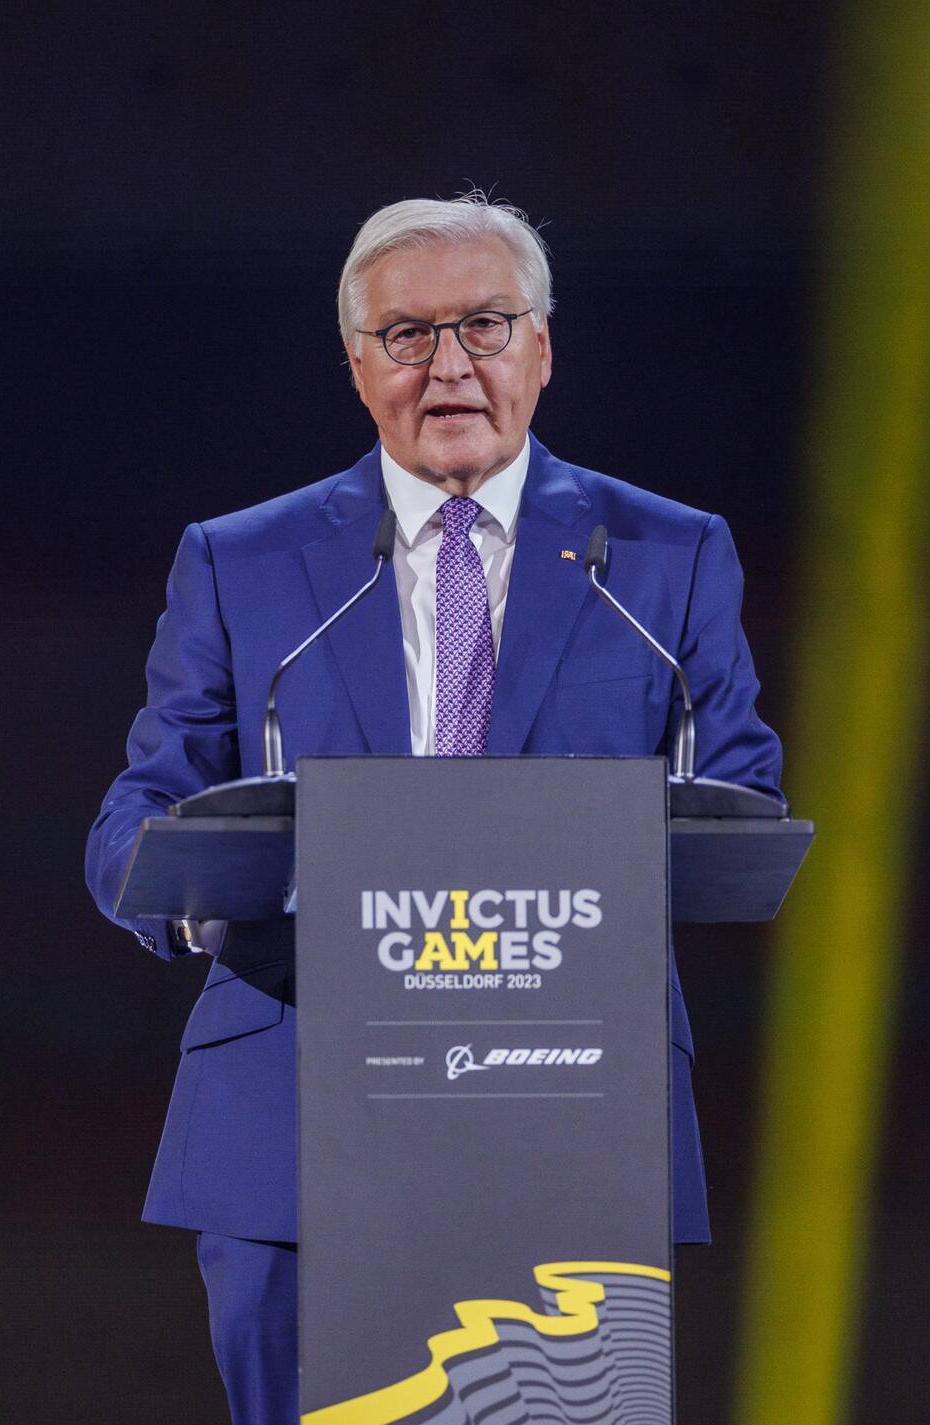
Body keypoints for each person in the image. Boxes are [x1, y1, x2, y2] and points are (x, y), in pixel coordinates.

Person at [86, 193, 783, 1424]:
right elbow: (139, 812)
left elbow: (737, 795)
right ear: (358, 365)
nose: (448, 364)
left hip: (571, 1104)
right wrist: (203, 907)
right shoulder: (242, 561)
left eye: (484, 325)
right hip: (294, 1121)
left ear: (543, 348)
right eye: (407, 335)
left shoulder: (665, 557)